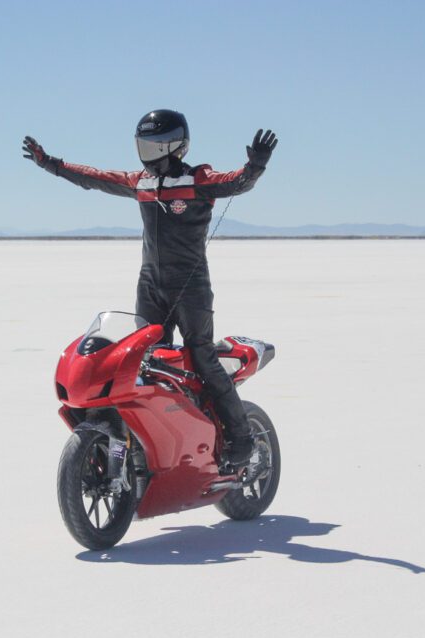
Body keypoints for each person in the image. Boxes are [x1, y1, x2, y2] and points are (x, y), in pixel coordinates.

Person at [22, 110, 277, 472]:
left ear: (176, 146)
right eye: (144, 145)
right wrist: (50, 164)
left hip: (190, 287)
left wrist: (255, 167)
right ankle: (151, 440)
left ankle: (241, 436)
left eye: (156, 145)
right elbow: (94, 178)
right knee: (145, 363)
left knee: (202, 357)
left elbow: (236, 183)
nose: (149, 153)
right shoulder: (139, 182)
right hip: (150, 286)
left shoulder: (198, 179)